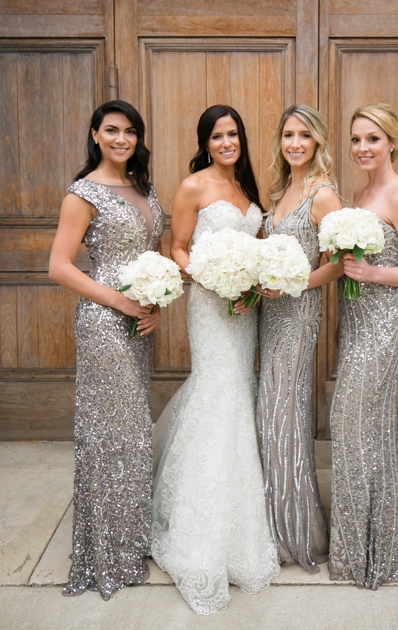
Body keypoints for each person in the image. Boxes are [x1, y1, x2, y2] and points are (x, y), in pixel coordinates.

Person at [151, 105, 279, 614]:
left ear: (241, 139)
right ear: (205, 142)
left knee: (236, 394)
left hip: (245, 309)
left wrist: (252, 282)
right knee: (218, 390)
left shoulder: (250, 191)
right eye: (217, 136)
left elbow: (262, 248)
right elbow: (178, 247)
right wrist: (210, 276)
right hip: (209, 304)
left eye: (233, 134)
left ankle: (241, 517)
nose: (227, 142)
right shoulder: (193, 186)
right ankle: (200, 530)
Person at [49, 100, 165, 600]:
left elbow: (151, 255)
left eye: (131, 132)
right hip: (103, 322)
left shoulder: (144, 188)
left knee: (133, 432)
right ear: (95, 134)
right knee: (110, 433)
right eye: (112, 130)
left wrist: (155, 302)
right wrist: (119, 300)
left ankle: (129, 540)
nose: (122, 139)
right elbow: (59, 265)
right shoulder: (83, 192)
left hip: (139, 324)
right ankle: (104, 551)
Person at [327, 102, 398, 588]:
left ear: (392, 141)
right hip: (355, 320)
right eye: (355, 140)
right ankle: (376, 536)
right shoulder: (361, 191)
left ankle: (366, 549)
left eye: (372, 138)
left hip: (384, 323)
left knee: (349, 422)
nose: (362, 148)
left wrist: (373, 273)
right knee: (368, 427)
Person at [256, 104, 342, 572]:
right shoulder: (282, 188)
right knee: (271, 417)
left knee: (284, 415)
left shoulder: (323, 194)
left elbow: (337, 262)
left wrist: (295, 283)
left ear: (317, 142)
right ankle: (271, 520)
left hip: (299, 314)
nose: (294, 143)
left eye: (303, 136)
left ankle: (294, 532)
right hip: (271, 314)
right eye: (288, 134)